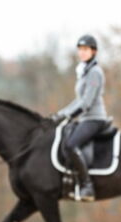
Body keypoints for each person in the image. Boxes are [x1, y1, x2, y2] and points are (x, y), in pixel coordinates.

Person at [50, 34, 108, 202]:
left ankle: (87, 186)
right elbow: (78, 100)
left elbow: (87, 103)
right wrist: (60, 114)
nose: (82, 53)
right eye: (80, 49)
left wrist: (68, 115)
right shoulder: (84, 71)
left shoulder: (95, 72)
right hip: (84, 118)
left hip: (94, 118)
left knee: (70, 145)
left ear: (93, 51)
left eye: (85, 49)